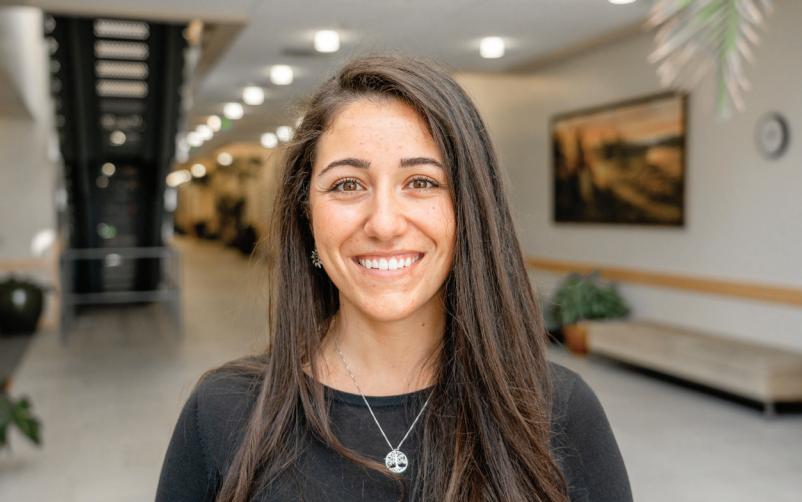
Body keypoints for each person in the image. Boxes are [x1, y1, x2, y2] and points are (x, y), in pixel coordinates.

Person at [156, 55, 632, 502]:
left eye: (421, 182)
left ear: (468, 209)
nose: (384, 223)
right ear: (307, 215)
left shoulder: (558, 412)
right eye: (347, 185)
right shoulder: (222, 413)